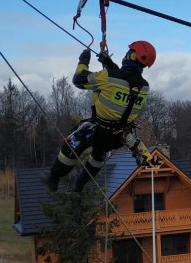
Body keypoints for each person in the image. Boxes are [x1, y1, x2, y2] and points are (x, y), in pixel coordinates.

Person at [45, 41, 156, 193]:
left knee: (72, 146)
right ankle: (79, 185)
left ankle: (54, 177)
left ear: (132, 55)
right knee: (98, 156)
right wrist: (110, 64)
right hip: (116, 136)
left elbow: (78, 79)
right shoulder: (144, 87)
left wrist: (83, 61)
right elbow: (125, 82)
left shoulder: (108, 77)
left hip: (96, 129)